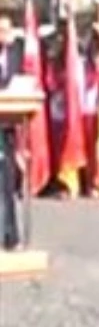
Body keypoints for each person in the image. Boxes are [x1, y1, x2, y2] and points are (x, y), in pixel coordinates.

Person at [0, 14, 24, 248]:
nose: (3, 35)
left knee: (8, 184)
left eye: (7, 31)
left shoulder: (17, 56)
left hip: (8, 129)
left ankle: (10, 236)